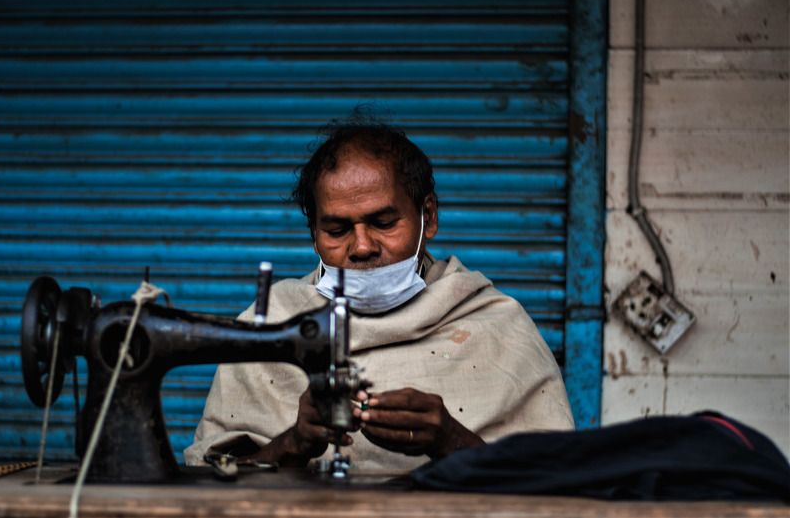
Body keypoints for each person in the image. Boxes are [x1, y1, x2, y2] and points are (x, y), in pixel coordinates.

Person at [184, 121, 574, 471]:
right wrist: (294, 443)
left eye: (384, 223)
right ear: (313, 235)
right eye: (337, 231)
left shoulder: (497, 327)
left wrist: (451, 441)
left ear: (428, 217)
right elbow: (214, 482)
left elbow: (555, 484)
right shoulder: (274, 321)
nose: (362, 247)